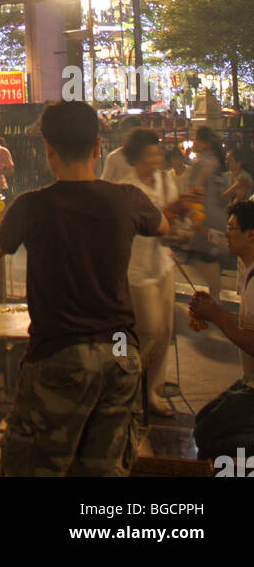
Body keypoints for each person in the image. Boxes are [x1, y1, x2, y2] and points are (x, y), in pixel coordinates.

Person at [0, 100, 169, 476]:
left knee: (35, 466)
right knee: (103, 469)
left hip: (60, 355)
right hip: (119, 355)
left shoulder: (30, 207)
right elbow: (162, 225)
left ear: (48, 150)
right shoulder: (126, 200)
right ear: (98, 146)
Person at [115, 129, 196, 416]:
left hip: (163, 265)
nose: (157, 157)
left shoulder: (166, 182)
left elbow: (174, 224)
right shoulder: (128, 188)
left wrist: (185, 225)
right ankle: (129, 384)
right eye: (151, 153)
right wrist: (177, 208)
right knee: (149, 330)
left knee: (165, 333)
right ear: (137, 157)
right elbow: (152, 222)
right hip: (137, 271)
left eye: (157, 152)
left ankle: (153, 392)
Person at [189, 200, 254, 462]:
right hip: (249, 381)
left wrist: (215, 314)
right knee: (204, 420)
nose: (227, 234)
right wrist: (212, 309)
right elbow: (245, 323)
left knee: (208, 435)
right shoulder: (247, 270)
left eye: (232, 229)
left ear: (251, 235)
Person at [186, 126, 227, 299]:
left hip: (205, 217)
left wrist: (193, 216)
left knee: (200, 257)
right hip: (218, 216)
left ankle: (215, 298)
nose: (193, 142)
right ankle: (215, 295)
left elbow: (195, 189)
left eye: (195, 138)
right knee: (210, 257)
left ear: (202, 143)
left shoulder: (203, 162)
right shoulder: (217, 161)